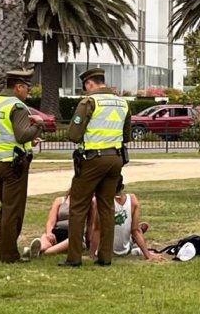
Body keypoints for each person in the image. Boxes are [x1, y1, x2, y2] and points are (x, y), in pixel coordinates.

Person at [60, 68, 131, 267]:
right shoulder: (122, 103)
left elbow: (73, 135)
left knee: (78, 207)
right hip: (115, 159)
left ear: (90, 83)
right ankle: (105, 257)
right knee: (106, 207)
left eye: (85, 87)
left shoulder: (90, 102)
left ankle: (74, 258)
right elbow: (126, 135)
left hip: (92, 159)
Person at [0, 69, 45, 263]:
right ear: (18, 87)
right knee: (14, 210)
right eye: (27, 88)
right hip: (15, 165)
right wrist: (39, 125)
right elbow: (21, 135)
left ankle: (3, 249)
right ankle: (9, 254)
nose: (29, 91)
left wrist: (29, 143)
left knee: (5, 207)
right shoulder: (17, 106)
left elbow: (6, 134)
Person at [89, 178, 164, 262]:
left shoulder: (100, 202)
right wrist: (148, 255)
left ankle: (134, 241)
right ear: (122, 187)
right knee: (135, 230)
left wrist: (91, 255)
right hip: (124, 250)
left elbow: (97, 230)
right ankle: (134, 242)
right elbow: (135, 231)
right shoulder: (132, 200)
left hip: (105, 251)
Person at [24, 191, 97, 257]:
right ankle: (39, 249)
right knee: (45, 237)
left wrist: (89, 242)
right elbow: (51, 221)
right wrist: (49, 233)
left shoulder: (89, 203)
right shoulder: (60, 201)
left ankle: (38, 252)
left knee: (72, 240)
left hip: (75, 234)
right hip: (57, 231)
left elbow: (90, 224)